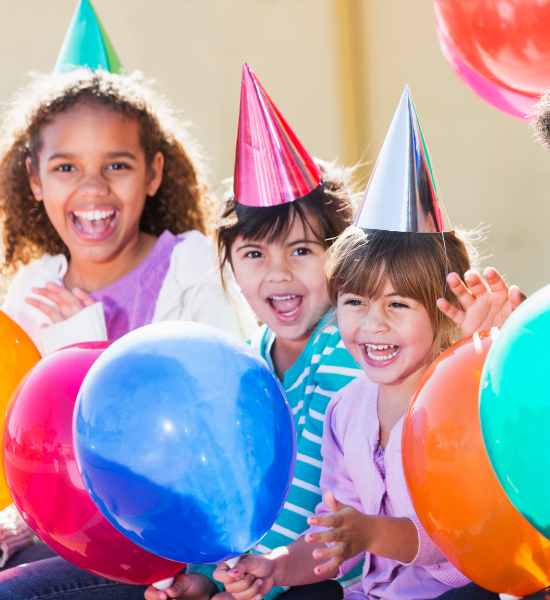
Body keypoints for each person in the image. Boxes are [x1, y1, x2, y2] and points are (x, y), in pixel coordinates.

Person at [213, 87, 523, 600]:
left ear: (439, 311)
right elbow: (333, 539)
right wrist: (274, 567)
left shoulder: (453, 408)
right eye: (355, 303)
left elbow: (451, 539)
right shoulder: (346, 412)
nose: (372, 324)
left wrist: (368, 532)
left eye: (398, 306)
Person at [0, 59, 254, 600]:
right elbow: (32, 446)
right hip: (65, 531)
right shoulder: (31, 291)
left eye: (117, 165)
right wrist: (13, 520)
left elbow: (214, 413)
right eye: (66, 167)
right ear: (34, 179)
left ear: (154, 172)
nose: (93, 189)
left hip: (172, 536)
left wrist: (84, 336)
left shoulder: (193, 269)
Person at [144, 64, 364, 600]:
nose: (278, 273)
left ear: (342, 256)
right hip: (262, 577)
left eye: (302, 250)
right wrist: (201, 576)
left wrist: (250, 582)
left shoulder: (347, 350)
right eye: (254, 254)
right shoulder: (249, 358)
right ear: (231, 266)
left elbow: (315, 496)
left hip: (331, 578)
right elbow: (233, 490)